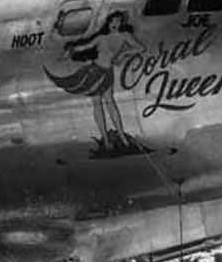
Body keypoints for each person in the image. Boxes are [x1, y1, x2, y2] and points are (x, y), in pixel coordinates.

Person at [44, 11, 148, 156]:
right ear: (109, 22)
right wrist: (71, 49)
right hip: (95, 71)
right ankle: (106, 140)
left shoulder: (125, 36)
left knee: (110, 102)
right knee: (98, 102)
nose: (115, 24)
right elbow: (86, 46)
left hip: (107, 72)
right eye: (113, 21)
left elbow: (140, 48)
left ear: (121, 23)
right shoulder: (102, 37)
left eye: (118, 22)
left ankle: (122, 136)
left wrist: (122, 54)